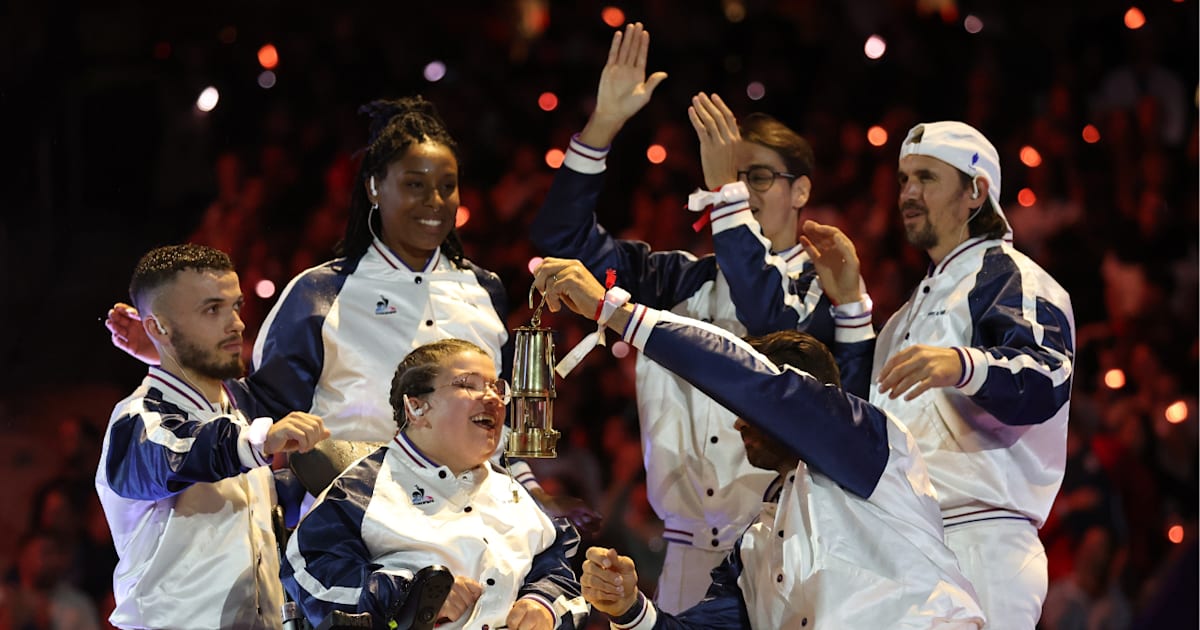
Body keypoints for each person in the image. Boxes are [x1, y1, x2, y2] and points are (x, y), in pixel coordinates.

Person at [106, 96, 599, 532]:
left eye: (447, 186)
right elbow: (257, 407)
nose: (435, 202)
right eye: (414, 184)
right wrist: (170, 355)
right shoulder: (318, 294)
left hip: (473, 530)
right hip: (351, 538)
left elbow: (497, 419)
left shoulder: (483, 289)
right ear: (373, 189)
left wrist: (533, 493)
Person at [529, 23, 836, 613]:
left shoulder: (822, 288)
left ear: (802, 193)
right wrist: (604, 124)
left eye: (759, 178)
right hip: (683, 554)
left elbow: (765, 314)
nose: (742, 193)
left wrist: (724, 188)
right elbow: (557, 238)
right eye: (732, 176)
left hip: (781, 551)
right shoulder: (677, 278)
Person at [531, 258, 985, 628]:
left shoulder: (870, 443)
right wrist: (630, 609)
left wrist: (616, 312)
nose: (737, 425)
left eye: (749, 412)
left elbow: (750, 382)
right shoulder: (756, 540)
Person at [796, 121, 1076, 628]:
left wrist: (962, 364)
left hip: (982, 540)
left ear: (976, 192)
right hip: (903, 542)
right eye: (904, 180)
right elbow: (866, 421)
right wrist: (853, 305)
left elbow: (1049, 378)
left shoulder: (1012, 276)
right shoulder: (903, 319)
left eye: (926, 177)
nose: (908, 193)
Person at [95, 244, 330, 630]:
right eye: (212, 309)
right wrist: (259, 442)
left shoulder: (236, 411)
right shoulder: (136, 418)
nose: (236, 323)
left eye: (234, 306)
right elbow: (179, 452)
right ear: (157, 327)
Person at [282, 338, 587, 630]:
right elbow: (310, 574)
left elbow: (554, 562)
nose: (493, 398)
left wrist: (542, 603)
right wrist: (413, 595)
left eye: (496, 387)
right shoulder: (361, 490)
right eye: (467, 385)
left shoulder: (511, 489)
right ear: (417, 409)